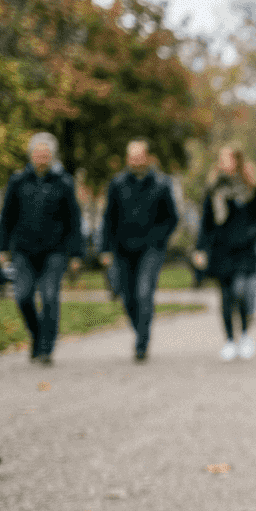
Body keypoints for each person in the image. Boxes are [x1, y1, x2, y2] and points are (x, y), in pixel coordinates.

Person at [0, 132, 84, 365]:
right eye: (38, 153)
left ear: (52, 157)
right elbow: (7, 217)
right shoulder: (18, 181)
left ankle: (45, 348)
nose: (42, 158)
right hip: (23, 249)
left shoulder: (63, 182)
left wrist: (76, 253)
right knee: (23, 296)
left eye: (46, 154)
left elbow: (73, 220)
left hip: (54, 251)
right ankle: (37, 334)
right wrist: (2, 246)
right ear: (31, 156)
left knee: (49, 296)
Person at [99, 138, 179, 362]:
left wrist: (158, 238)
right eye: (131, 157)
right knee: (128, 297)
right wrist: (105, 249)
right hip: (123, 248)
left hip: (151, 248)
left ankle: (142, 342)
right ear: (127, 159)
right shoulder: (118, 184)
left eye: (139, 156)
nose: (135, 160)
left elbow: (171, 218)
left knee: (144, 292)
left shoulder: (161, 184)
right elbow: (109, 219)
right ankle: (140, 329)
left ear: (147, 157)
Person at [193, 146, 256, 361]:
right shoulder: (214, 190)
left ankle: (244, 335)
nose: (223, 163)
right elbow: (206, 222)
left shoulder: (251, 188)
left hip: (245, 249)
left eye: (227, 159)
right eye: (221, 159)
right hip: (221, 250)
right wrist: (200, 248)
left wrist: (253, 234)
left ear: (237, 161)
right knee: (226, 296)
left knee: (242, 291)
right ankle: (229, 340)